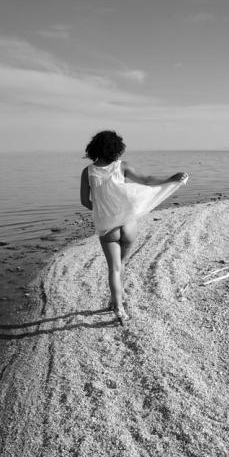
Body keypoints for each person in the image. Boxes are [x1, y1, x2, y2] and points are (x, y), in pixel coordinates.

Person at [80, 130, 188, 325]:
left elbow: (85, 202)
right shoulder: (122, 167)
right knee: (121, 265)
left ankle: (119, 308)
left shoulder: (87, 171)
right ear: (117, 149)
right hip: (128, 223)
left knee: (113, 268)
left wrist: (100, 208)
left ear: (95, 147)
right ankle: (117, 298)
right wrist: (171, 178)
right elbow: (146, 180)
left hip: (107, 226)